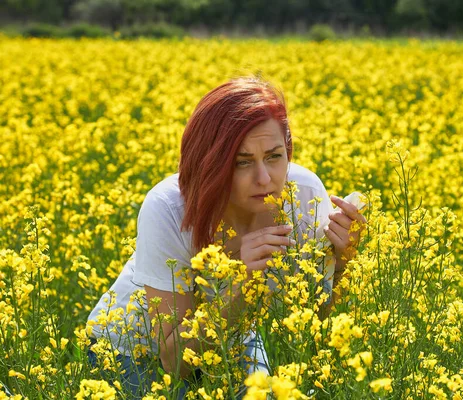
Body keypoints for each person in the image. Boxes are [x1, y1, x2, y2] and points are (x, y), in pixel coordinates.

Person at [86, 76, 365, 398]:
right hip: (133, 351)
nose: (264, 179)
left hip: (233, 336)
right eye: (241, 163)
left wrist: (343, 261)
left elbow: (312, 323)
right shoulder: (168, 208)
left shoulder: (304, 194)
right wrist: (242, 282)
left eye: (274, 156)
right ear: (209, 164)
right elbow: (175, 363)